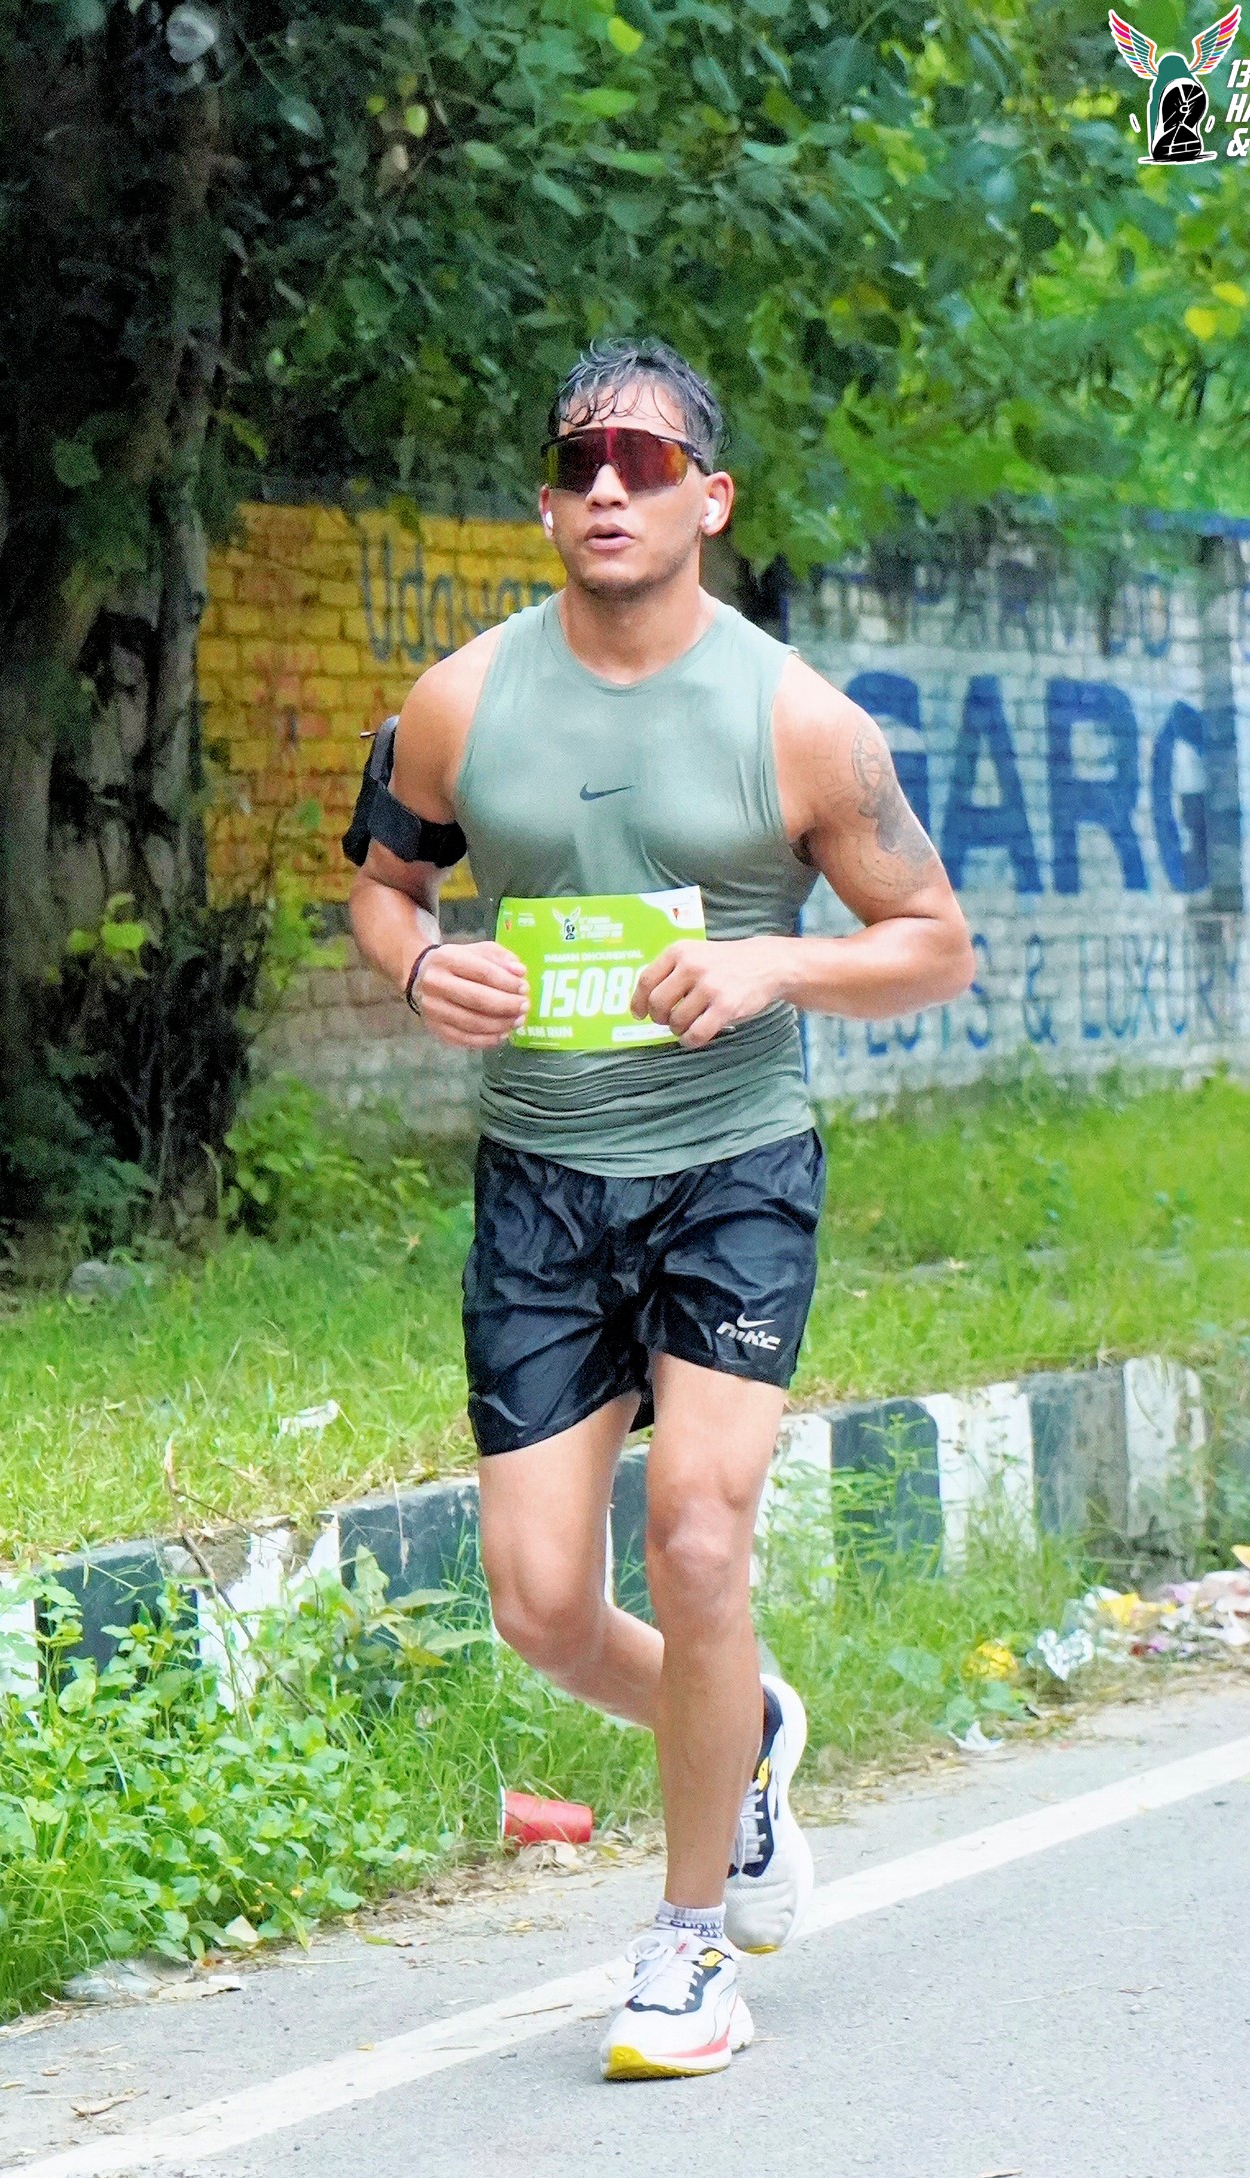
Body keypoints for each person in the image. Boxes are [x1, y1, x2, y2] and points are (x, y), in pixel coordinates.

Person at [348, 337, 973, 2081]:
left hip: (731, 1167)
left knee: (699, 1540)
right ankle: (743, 1722)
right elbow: (386, 892)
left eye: (646, 460)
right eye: (580, 463)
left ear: (712, 500)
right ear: (547, 504)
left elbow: (933, 944)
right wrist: (422, 971)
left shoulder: (799, 721)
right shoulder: (458, 703)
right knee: (543, 1608)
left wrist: (776, 963)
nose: (609, 486)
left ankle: (690, 1946)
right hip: (543, 1181)